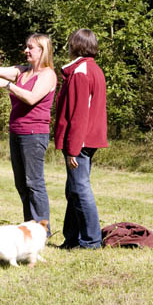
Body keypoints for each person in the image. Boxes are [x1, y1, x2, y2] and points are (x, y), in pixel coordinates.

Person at [0, 34, 57, 235]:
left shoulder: (48, 75)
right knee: (21, 184)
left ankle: (42, 230)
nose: (26, 51)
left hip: (34, 134)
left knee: (34, 183)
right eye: (26, 47)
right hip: (16, 132)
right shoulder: (22, 71)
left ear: (42, 51)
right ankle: (30, 226)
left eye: (31, 48)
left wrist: (7, 85)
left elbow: (31, 98)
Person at [54, 28, 108, 249]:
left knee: (80, 189)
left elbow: (79, 113)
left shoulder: (80, 73)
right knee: (74, 189)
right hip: (88, 139)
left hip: (81, 142)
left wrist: (73, 148)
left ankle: (91, 241)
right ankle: (73, 238)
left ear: (74, 46)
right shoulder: (93, 69)